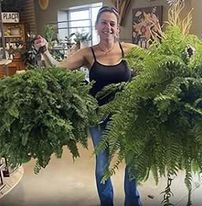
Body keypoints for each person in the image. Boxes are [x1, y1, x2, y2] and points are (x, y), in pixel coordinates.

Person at [35, 6, 142, 206]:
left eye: (112, 24)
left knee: (133, 162)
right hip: (98, 117)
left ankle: (133, 201)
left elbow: (158, 61)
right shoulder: (88, 53)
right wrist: (45, 51)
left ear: (117, 29)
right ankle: (106, 202)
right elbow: (59, 68)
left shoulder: (128, 50)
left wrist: (183, 55)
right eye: (104, 22)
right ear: (96, 26)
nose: (108, 27)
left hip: (128, 116)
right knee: (102, 166)